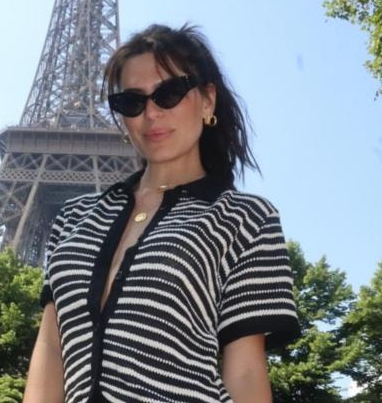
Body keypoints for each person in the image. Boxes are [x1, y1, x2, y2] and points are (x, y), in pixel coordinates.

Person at [23, 23, 301, 403]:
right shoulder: (75, 217)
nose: (151, 113)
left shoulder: (245, 218)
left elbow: (246, 370)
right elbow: (52, 346)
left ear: (207, 100)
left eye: (169, 93)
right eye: (132, 101)